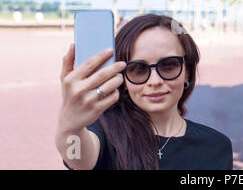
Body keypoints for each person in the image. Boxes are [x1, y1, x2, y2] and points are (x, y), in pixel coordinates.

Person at [55, 13, 233, 170]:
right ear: (122, 78)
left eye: (169, 66)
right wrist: (70, 125)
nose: (155, 81)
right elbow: (77, 158)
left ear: (187, 71)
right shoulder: (104, 132)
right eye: (138, 69)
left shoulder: (217, 146)